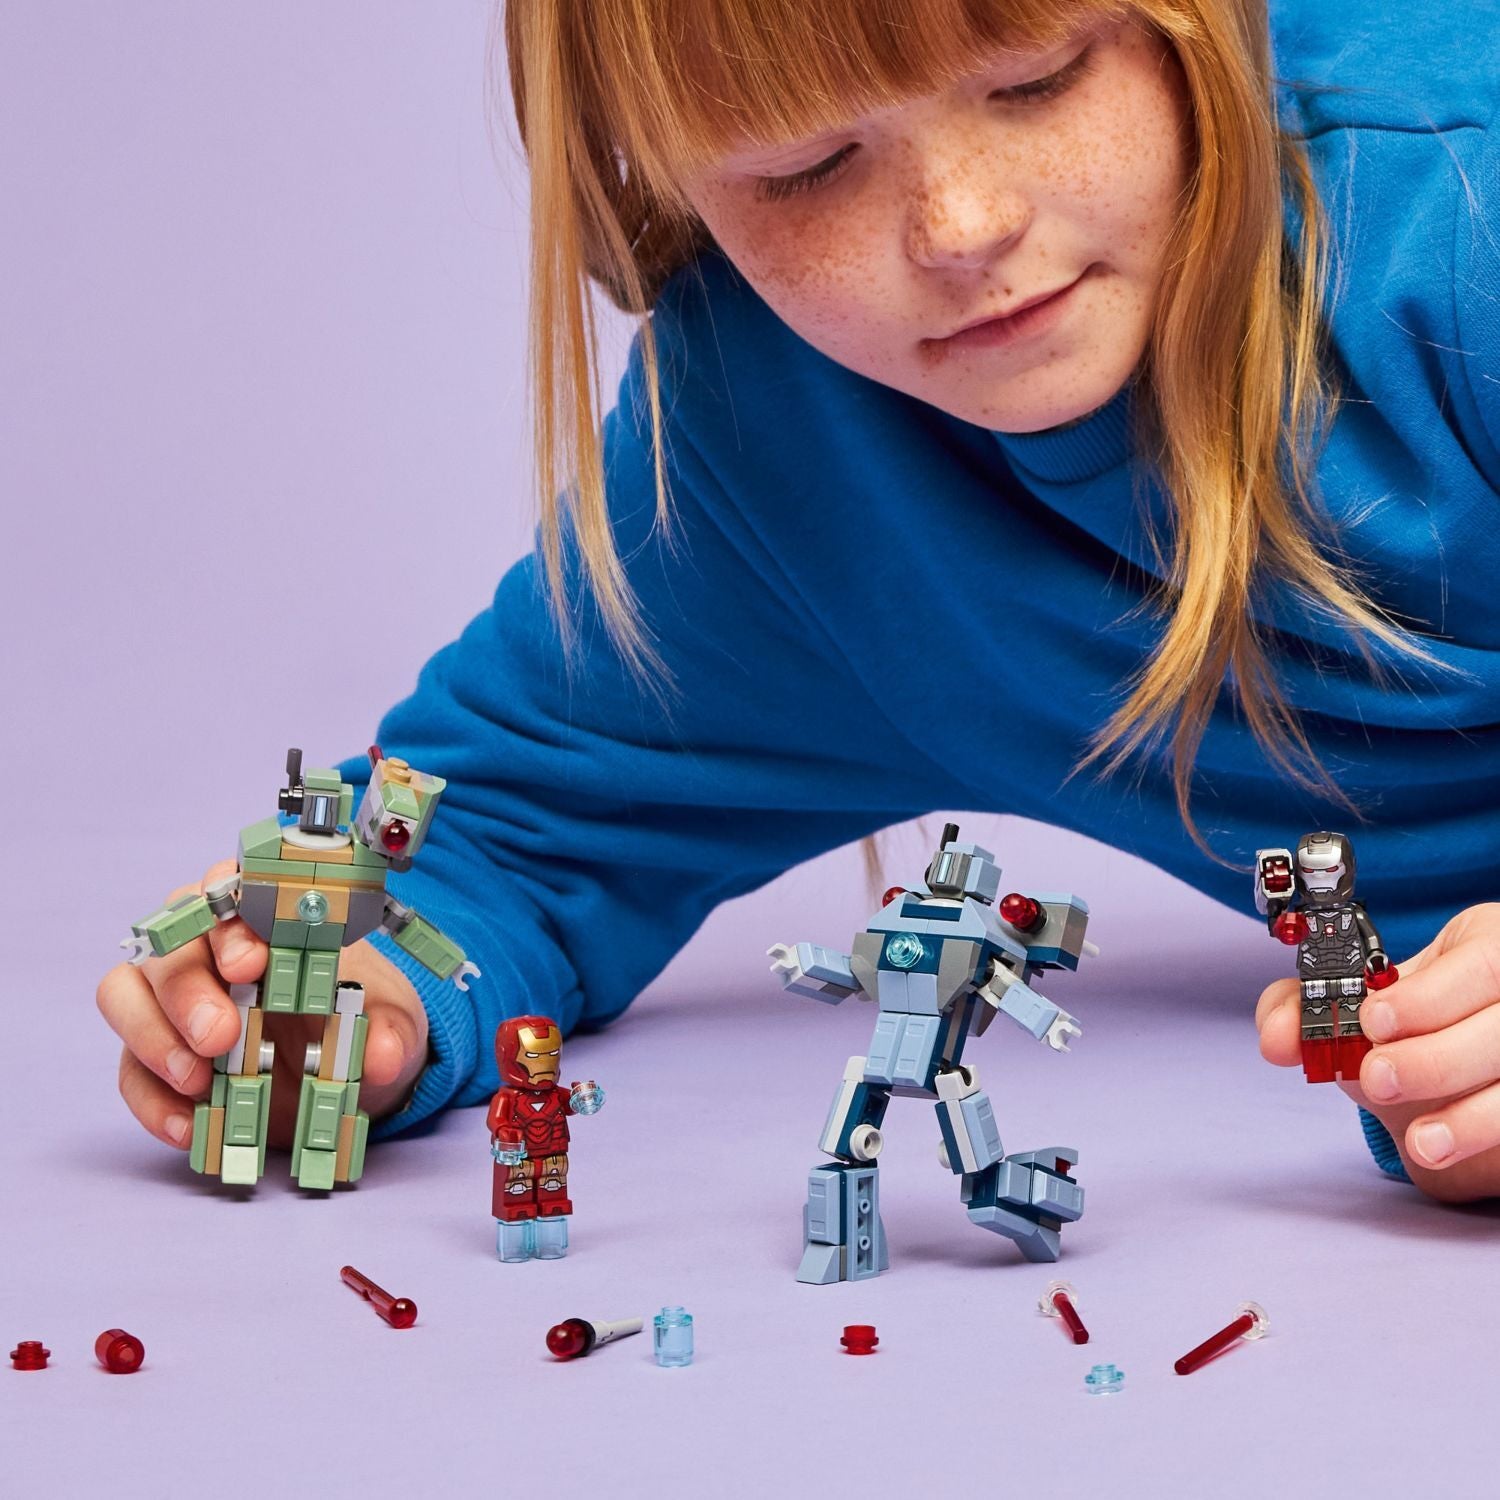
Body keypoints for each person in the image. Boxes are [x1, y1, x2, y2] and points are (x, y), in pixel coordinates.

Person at [96, 0, 1500, 1202]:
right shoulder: (773, 439)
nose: (966, 227)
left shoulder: (1456, 214)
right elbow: (498, 838)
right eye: (806, 165)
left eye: (1038, 77)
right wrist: (331, 997)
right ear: (661, 177)